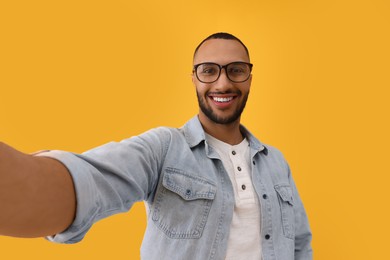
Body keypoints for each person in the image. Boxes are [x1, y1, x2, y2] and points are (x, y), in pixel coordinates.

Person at [0, 32, 312, 259]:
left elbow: (299, 244)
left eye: (236, 70)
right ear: (193, 78)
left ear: (249, 77)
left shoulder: (276, 162)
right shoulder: (164, 148)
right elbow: (90, 181)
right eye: (208, 70)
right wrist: (27, 183)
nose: (223, 83)